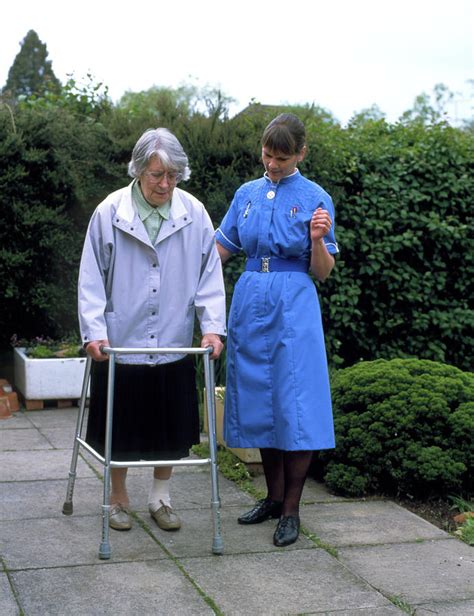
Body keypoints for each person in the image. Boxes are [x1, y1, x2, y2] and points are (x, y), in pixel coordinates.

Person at [78, 127, 226, 532]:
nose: (165, 184)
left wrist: (212, 329)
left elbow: (209, 276)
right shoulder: (110, 212)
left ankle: (160, 498)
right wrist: (93, 331)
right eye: (157, 175)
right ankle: (118, 498)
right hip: (120, 339)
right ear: (139, 171)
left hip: (174, 339)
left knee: (169, 426)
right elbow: (91, 276)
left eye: (173, 176)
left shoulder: (194, 213)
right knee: (120, 426)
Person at [215, 113, 338, 547]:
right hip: (251, 299)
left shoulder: (315, 197)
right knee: (261, 398)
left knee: (295, 402)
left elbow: (322, 272)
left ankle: (291, 510)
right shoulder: (246, 193)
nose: (273, 164)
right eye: (268, 154)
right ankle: (270, 498)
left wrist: (319, 239)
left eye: (282, 158)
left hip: (294, 303)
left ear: (301, 153)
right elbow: (220, 249)